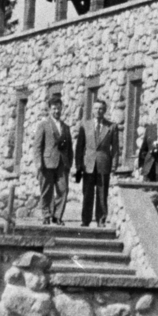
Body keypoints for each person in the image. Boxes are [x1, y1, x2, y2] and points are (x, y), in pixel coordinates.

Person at [28, 91, 73, 225]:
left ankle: (57, 216)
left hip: (62, 164)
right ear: (49, 109)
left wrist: (69, 163)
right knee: (46, 190)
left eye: (59, 108)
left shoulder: (65, 127)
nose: (57, 111)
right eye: (54, 108)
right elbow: (37, 146)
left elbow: (69, 147)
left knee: (63, 190)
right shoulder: (43, 124)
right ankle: (46, 215)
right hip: (46, 163)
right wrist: (38, 163)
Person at [73, 98, 118, 227]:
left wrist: (114, 166)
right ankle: (85, 220)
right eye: (96, 108)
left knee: (102, 193)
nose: (98, 111)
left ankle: (101, 219)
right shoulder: (85, 125)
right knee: (87, 193)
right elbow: (79, 147)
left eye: (101, 109)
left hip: (104, 164)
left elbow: (115, 149)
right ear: (92, 110)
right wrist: (78, 165)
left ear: (105, 111)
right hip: (88, 164)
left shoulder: (112, 126)